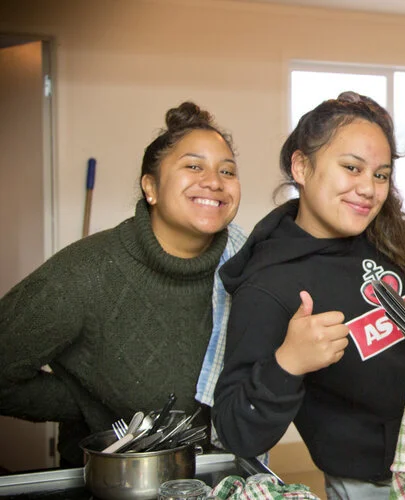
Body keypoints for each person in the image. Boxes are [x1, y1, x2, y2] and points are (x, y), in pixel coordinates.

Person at [212, 91, 405, 499]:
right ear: (301, 166)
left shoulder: (397, 238)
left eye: (380, 174)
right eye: (351, 168)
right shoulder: (270, 284)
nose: (369, 189)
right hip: (375, 485)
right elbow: (236, 429)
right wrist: (288, 363)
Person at [0, 101, 242, 467]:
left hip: (213, 473)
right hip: (113, 480)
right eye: (194, 166)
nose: (214, 181)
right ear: (151, 187)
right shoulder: (85, 272)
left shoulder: (245, 267)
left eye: (227, 171)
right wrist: (87, 405)